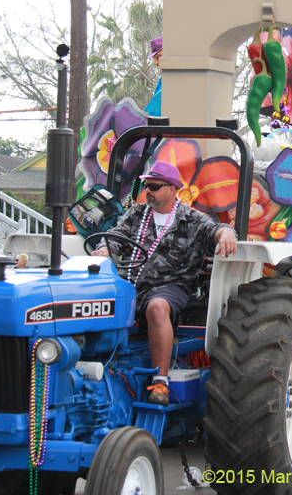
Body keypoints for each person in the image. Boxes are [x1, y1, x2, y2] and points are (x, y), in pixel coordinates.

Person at [92, 161, 237, 405]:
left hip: (170, 286)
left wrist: (228, 234)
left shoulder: (192, 219)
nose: (148, 191)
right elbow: (115, 237)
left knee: (157, 306)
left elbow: (216, 230)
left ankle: (160, 381)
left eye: (155, 187)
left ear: (172, 189)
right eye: (146, 186)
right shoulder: (136, 213)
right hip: (131, 282)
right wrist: (106, 249)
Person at [143, 37, 163, 116]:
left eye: (158, 57)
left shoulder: (170, 80)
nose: (155, 63)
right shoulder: (162, 81)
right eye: (154, 58)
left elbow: (152, 112)